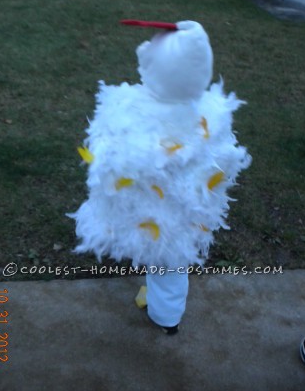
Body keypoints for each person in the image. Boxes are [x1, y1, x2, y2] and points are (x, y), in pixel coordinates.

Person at [69, 20, 251, 334]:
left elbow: (108, 161)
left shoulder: (130, 112)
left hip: (146, 215)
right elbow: (224, 163)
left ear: (153, 69)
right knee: (173, 263)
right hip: (185, 217)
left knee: (161, 260)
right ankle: (166, 311)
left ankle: (164, 316)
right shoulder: (211, 113)